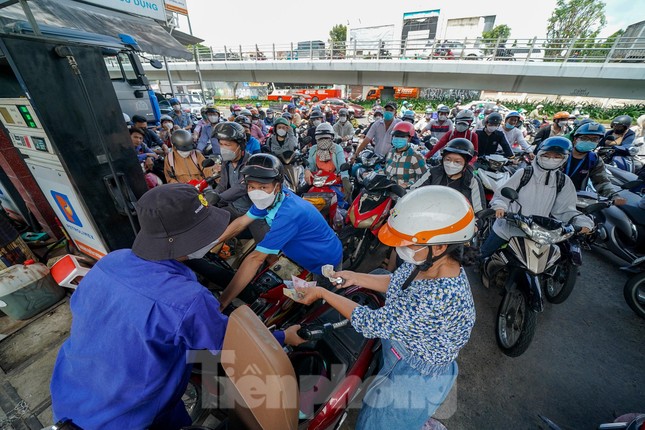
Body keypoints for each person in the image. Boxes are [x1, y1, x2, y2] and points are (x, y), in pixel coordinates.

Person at [50, 183, 304, 429]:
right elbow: (235, 345)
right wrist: (284, 337)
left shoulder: (111, 262)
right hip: (129, 417)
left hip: (71, 397)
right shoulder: (187, 300)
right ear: (188, 239)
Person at [290, 186, 477, 430]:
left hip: (414, 373)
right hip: (406, 347)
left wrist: (323, 292)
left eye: (407, 243)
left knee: (374, 423)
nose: (401, 249)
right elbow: (396, 282)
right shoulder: (429, 262)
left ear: (440, 247)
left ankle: (412, 419)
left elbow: (371, 323)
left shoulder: (438, 296)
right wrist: (355, 278)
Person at [214, 154, 344, 309]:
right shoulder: (270, 199)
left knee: (319, 306)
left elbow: (256, 259)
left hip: (324, 261)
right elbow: (241, 222)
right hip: (301, 256)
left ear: (278, 186)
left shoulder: (289, 213)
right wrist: (212, 243)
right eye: (252, 187)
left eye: (263, 187)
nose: (257, 192)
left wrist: (222, 302)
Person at [479, 136, 594, 259]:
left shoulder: (563, 181)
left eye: (557, 157)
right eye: (547, 155)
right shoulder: (524, 173)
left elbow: (566, 209)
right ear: (539, 154)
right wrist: (500, 207)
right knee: (483, 254)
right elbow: (502, 195)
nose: (551, 159)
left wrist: (583, 222)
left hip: (540, 232)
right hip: (510, 226)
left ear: (564, 159)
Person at [209, 122, 269, 242]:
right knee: (209, 225)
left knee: (264, 246)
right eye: (221, 144)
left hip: (253, 211)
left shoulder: (252, 163)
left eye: (227, 144)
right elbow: (222, 185)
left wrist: (218, 197)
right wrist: (211, 198)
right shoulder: (226, 163)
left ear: (240, 145)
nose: (223, 148)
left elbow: (241, 188)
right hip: (233, 208)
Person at [411, 138, 485, 213]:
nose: (451, 164)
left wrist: (477, 222)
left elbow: (479, 210)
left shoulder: (472, 180)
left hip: (459, 220)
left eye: (457, 162)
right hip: (430, 215)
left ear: (465, 163)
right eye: (448, 160)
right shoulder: (433, 173)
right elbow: (414, 191)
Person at [565, 122, 626, 204]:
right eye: (585, 138)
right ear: (575, 139)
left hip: (575, 198)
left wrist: (614, 196)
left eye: (594, 139)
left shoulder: (594, 159)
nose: (589, 141)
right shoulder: (561, 155)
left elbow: (601, 181)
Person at [306, 122, 352, 200]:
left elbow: (342, 164)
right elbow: (310, 166)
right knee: (301, 194)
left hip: (334, 181)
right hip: (318, 182)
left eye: (326, 138)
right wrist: (307, 170)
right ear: (316, 138)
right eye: (321, 138)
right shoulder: (313, 149)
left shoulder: (337, 148)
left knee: (347, 199)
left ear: (332, 138)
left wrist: (345, 179)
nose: (323, 141)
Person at [385, 121, 427, 188]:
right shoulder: (391, 152)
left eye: (402, 136)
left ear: (409, 138)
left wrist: (409, 184)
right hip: (388, 191)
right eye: (396, 136)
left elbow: (425, 177)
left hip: (405, 194)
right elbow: (386, 171)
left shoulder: (415, 156)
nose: (398, 138)